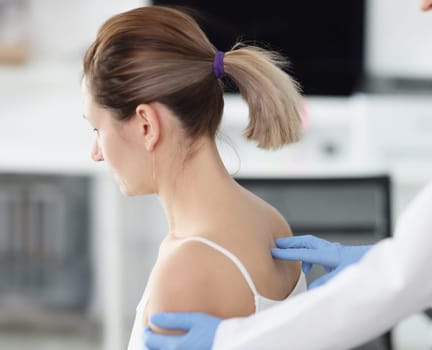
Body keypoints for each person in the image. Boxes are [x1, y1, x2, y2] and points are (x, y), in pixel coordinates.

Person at [143, 0, 432, 349]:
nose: (424, 4)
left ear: (146, 123)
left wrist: (235, 341)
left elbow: (418, 265)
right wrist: (382, 257)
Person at [80, 5, 308, 350]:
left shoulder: (187, 268)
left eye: (98, 129)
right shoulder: (269, 221)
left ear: (146, 125)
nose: (96, 152)